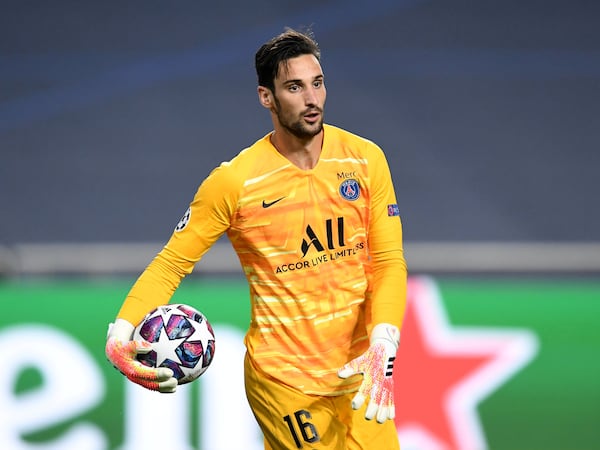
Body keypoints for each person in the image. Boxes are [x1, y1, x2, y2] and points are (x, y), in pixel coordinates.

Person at [106, 27, 407, 450]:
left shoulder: (365, 159)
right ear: (267, 97)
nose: (311, 99)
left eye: (317, 84)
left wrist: (384, 340)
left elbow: (389, 261)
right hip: (283, 379)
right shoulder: (235, 182)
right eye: (294, 87)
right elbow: (172, 262)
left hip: (360, 374)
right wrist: (119, 333)